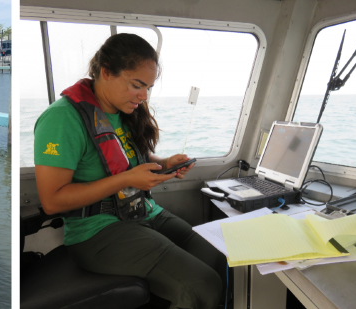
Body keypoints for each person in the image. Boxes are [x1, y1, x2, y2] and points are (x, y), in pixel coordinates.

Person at [33, 33, 225, 309]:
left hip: (142, 212)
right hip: (96, 231)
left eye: (148, 87)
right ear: (106, 72)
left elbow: (130, 158)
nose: (144, 96)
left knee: (216, 257)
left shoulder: (123, 110)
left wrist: (164, 163)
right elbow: (52, 201)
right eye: (137, 85)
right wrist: (126, 180)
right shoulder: (62, 118)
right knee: (203, 285)